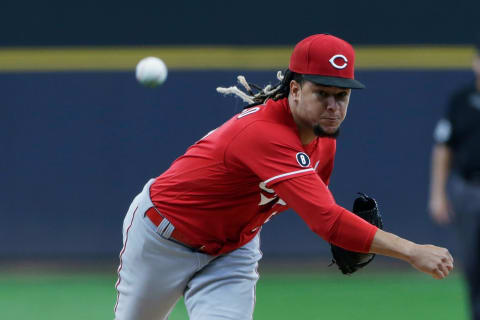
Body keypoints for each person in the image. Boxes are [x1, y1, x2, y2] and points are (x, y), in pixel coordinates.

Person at [115, 34, 454, 320]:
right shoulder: (265, 134)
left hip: (233, 250)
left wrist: (350, 236)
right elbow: (327, 220)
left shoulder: (323, 140)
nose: (333, 106)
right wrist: (412, 251)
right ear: (294, 90)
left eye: (342, 95)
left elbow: (316, 205)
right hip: (163, 240)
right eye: (322, 92)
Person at [429, 42, 480, 320]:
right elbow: (442, 147)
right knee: (472, 263)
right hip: (469, 189)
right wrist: (437, 194)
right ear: (475, 64)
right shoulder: (460, 101)